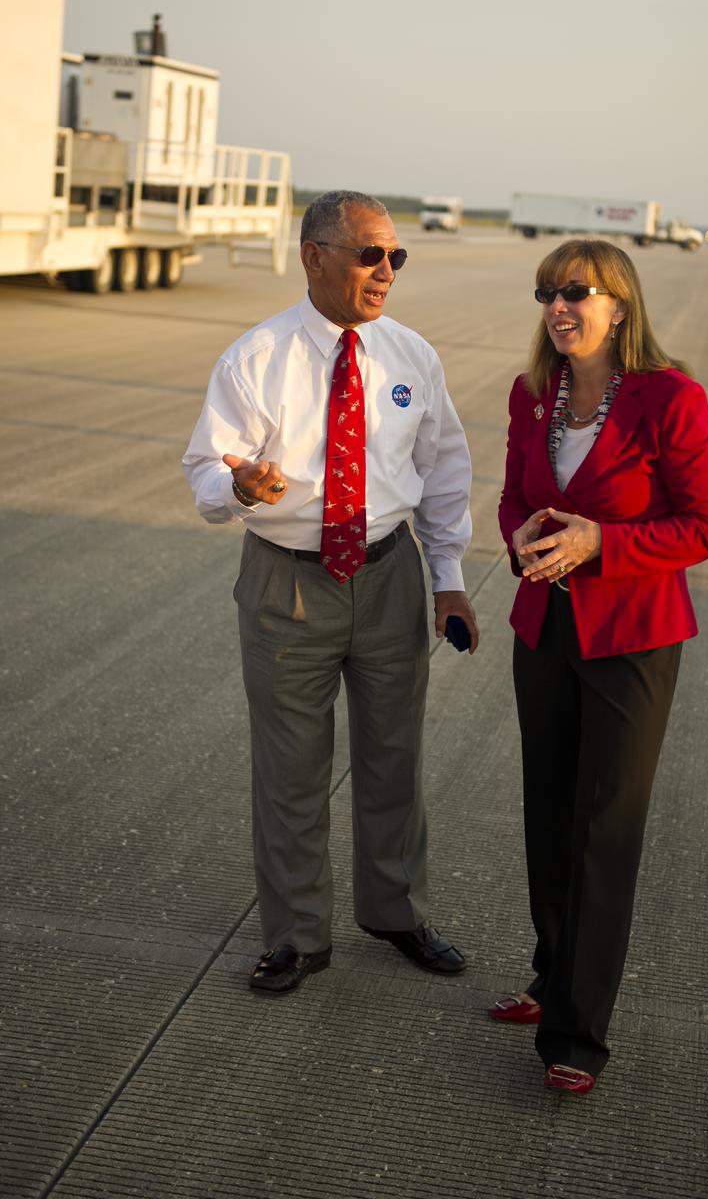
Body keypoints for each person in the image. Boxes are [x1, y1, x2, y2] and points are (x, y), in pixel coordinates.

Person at [183, 190, 478, 994]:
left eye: (396, 257)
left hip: (388, 575)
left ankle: (394, 909)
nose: (386, 271)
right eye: (368, 254)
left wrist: (448, 579)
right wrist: (239, 483)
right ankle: (296, 936)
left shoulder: (411, 356)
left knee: (395, 758)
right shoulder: (256, 356)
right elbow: (205, 469)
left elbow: (445, 471)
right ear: (314, 255)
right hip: (287, 584)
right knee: (290, 769)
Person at [492, 239, 708, 1095]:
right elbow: (515, 495)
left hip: (632, 637)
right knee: (548, 815)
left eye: (576, 293)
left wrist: (602, 543)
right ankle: (549, 976)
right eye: (546, 294)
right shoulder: (532, 396)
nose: (558, 308)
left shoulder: (670, 397)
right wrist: (516, 532)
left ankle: (576, 1034)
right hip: (542, 627)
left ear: (619, 306)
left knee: (603, 827)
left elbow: (706, 526)